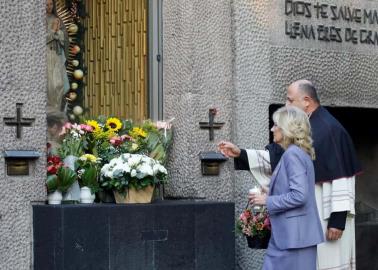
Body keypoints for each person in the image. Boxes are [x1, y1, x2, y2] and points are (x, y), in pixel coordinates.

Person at [219, 79, 361, 270]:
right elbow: (278, 159)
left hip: (326, 217)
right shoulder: (301, 133)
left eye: (289, 100)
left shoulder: (331, 130)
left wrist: (338, 219)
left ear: (306, 101)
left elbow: (342, 176)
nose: (286, 105)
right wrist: (241, 154)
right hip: (306, 220)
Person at [235, 106, 325, 269]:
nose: (272, 129)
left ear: (286, 129)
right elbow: (297, 190)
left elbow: (300, 196)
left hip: (294, 239)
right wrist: (270, 191)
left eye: (276, 125)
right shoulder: (298, 153)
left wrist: (267, 200)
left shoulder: (293, 155)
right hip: (293, 236)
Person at [46, 0, 70, 114]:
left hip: (56, 56)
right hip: (45, 56)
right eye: (46, 4)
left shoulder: (57, 19)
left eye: (51, 4)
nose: (49, 7)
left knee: (59, 84)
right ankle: (50, 113)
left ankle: (56, 112)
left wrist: (58, 32)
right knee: (50, 86)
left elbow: (64, 39)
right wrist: (53, 31)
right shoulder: (38, 20)